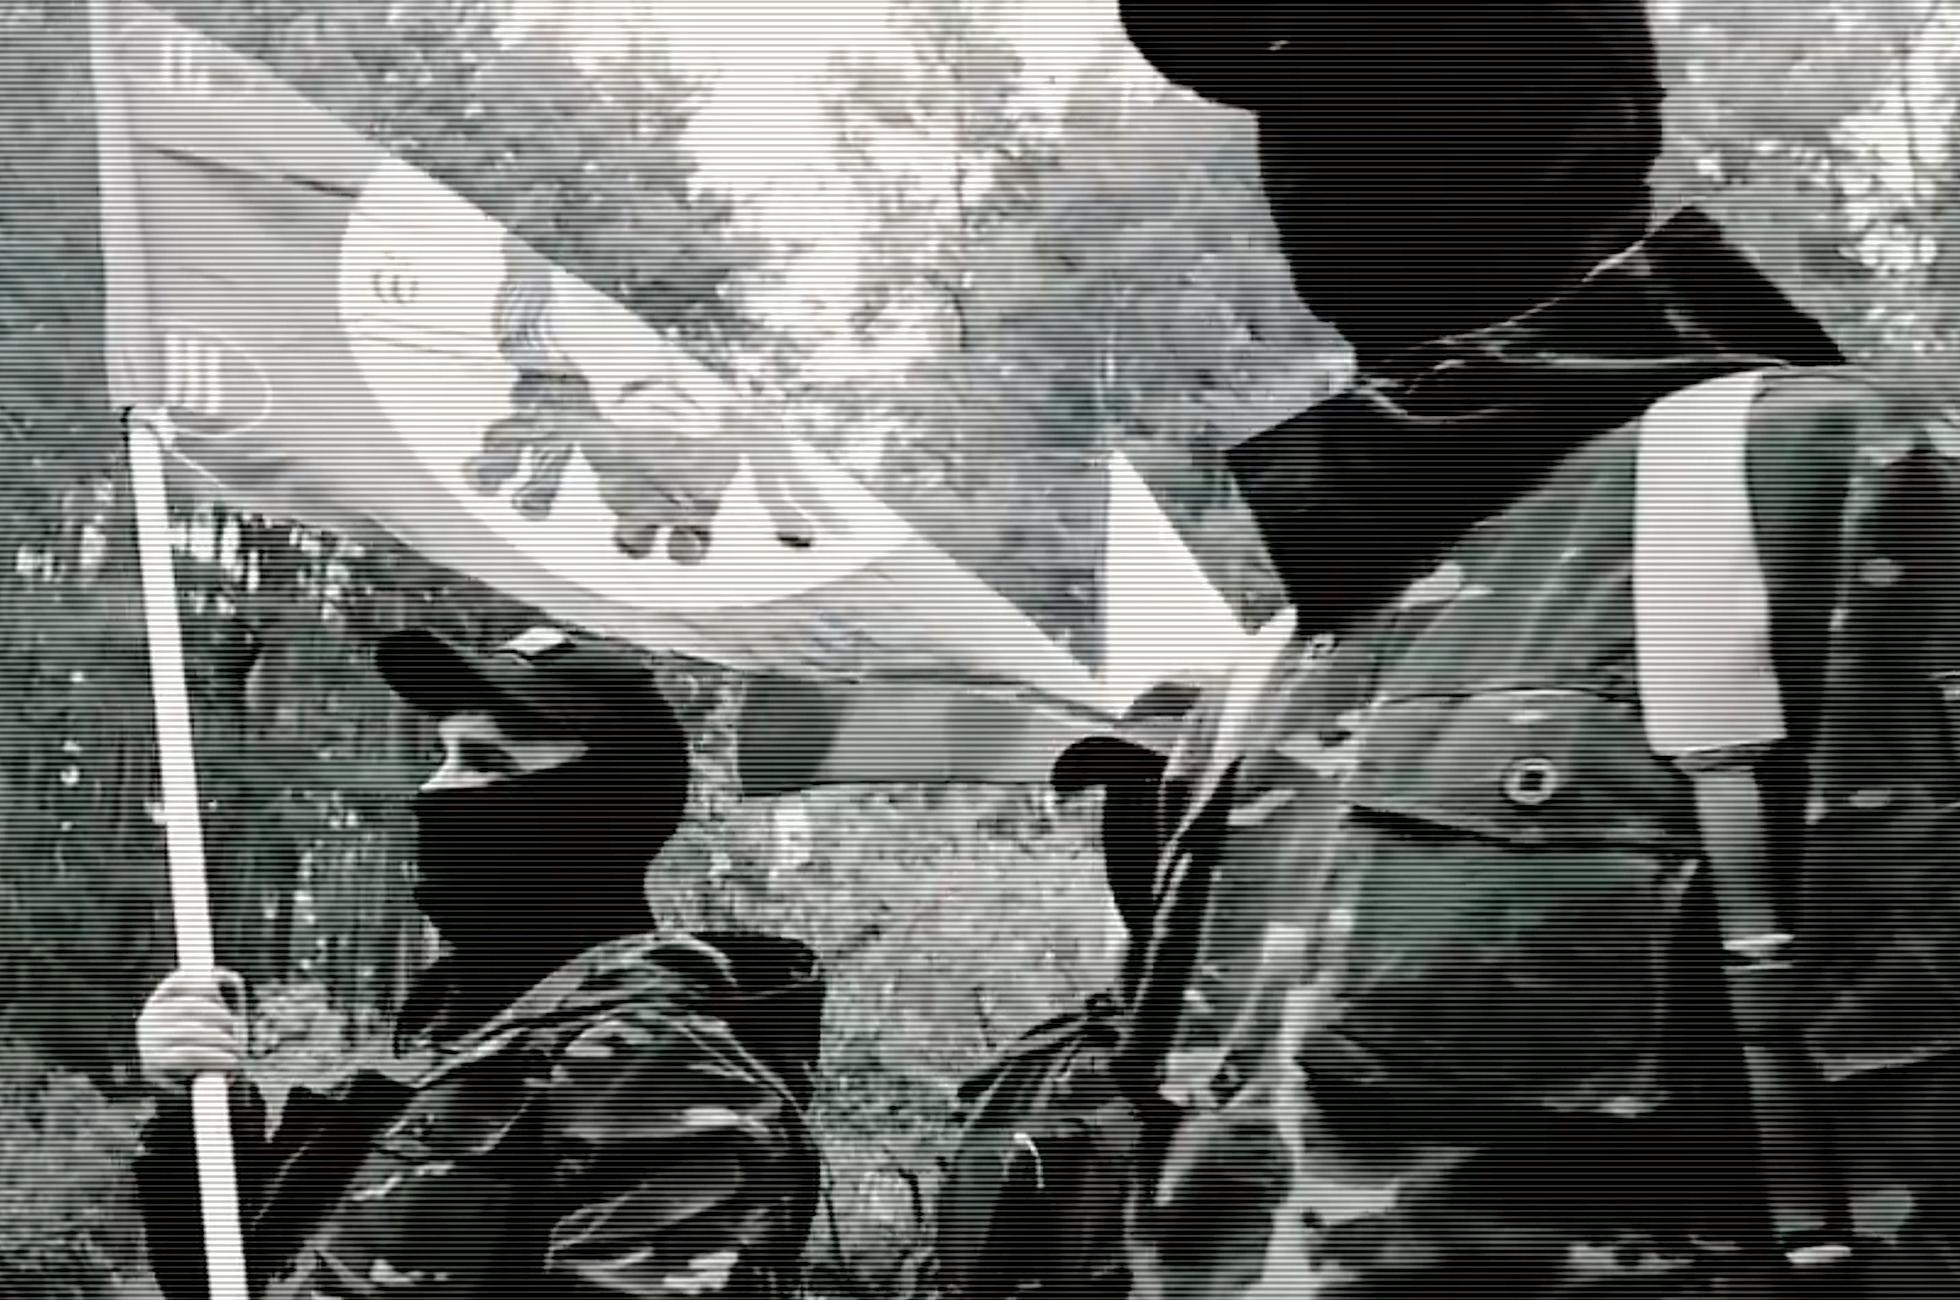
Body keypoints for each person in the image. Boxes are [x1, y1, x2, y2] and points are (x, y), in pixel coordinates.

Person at [1113, 2, 1960, 1296]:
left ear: (1581, 119)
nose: (1304, 144)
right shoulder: (1278, 659)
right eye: (1279, 95)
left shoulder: (1840, 489)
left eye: (1371, 69)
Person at [133, 625, 826, 1300]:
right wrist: (200, 1112)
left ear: (596, 810)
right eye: (442, 756)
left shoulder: (658, 1067)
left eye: (487, 761)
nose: (433, 792)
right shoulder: (447, 1055)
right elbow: (237, 1280)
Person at [934, 683, 1198, 1300]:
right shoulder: (1044, 1067)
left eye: (1162, 793)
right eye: (1123, 797)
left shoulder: (1294, 1068)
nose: (1136, 821)